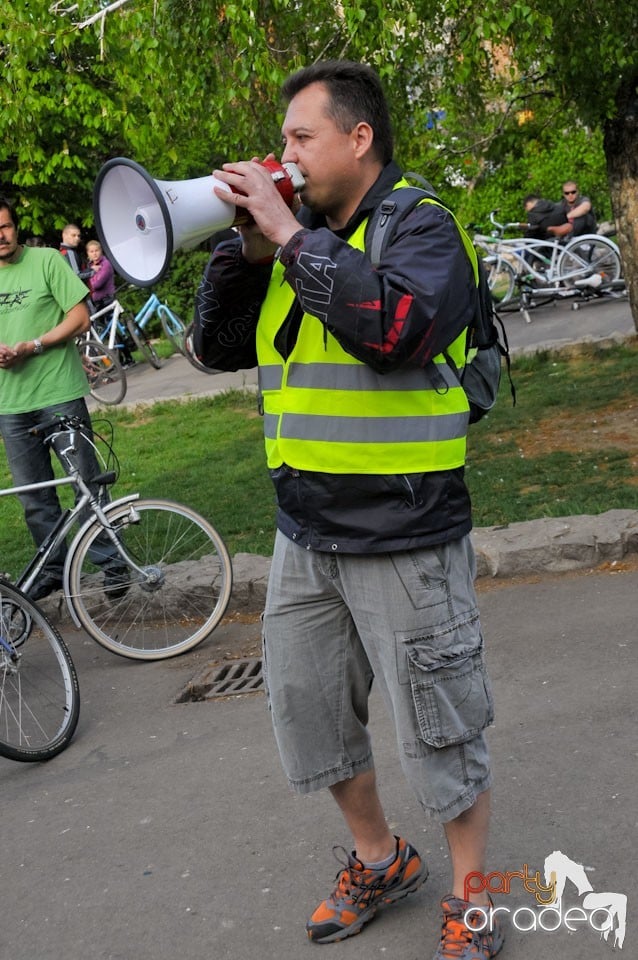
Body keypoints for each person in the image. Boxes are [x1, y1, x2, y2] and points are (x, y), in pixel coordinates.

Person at [192, 61, 502, 960]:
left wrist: (291, 233)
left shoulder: (423, 226)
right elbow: (213, 348)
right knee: (311, 714)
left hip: (405, 528)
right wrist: (247, 248)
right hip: (306, 534)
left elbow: (396, 331)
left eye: (300, 137)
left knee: (444, 722)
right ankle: (380, 857)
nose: (281, 154)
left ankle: (475, 898)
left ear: (358, 139)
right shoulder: (297, 241)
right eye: (283, 139)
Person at [0, 196, 126, 601]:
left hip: (58, 393)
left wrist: (34, 345)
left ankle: (113, 564)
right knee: (34, 495)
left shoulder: (46, 261)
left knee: (86, 481)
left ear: (15, 227)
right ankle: (53, 568)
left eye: (4, 226)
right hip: (10, 404)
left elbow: (79, 317)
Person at [85, 239, 115, 312]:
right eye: (91, 251)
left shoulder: (105, 264)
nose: (94, 253)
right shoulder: (90, 266)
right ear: (88, 253)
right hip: (96, 302)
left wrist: (87, 278)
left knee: (112, 323)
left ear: (101, 251)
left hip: (107, 300)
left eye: (96, 250)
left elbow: (96, 285)